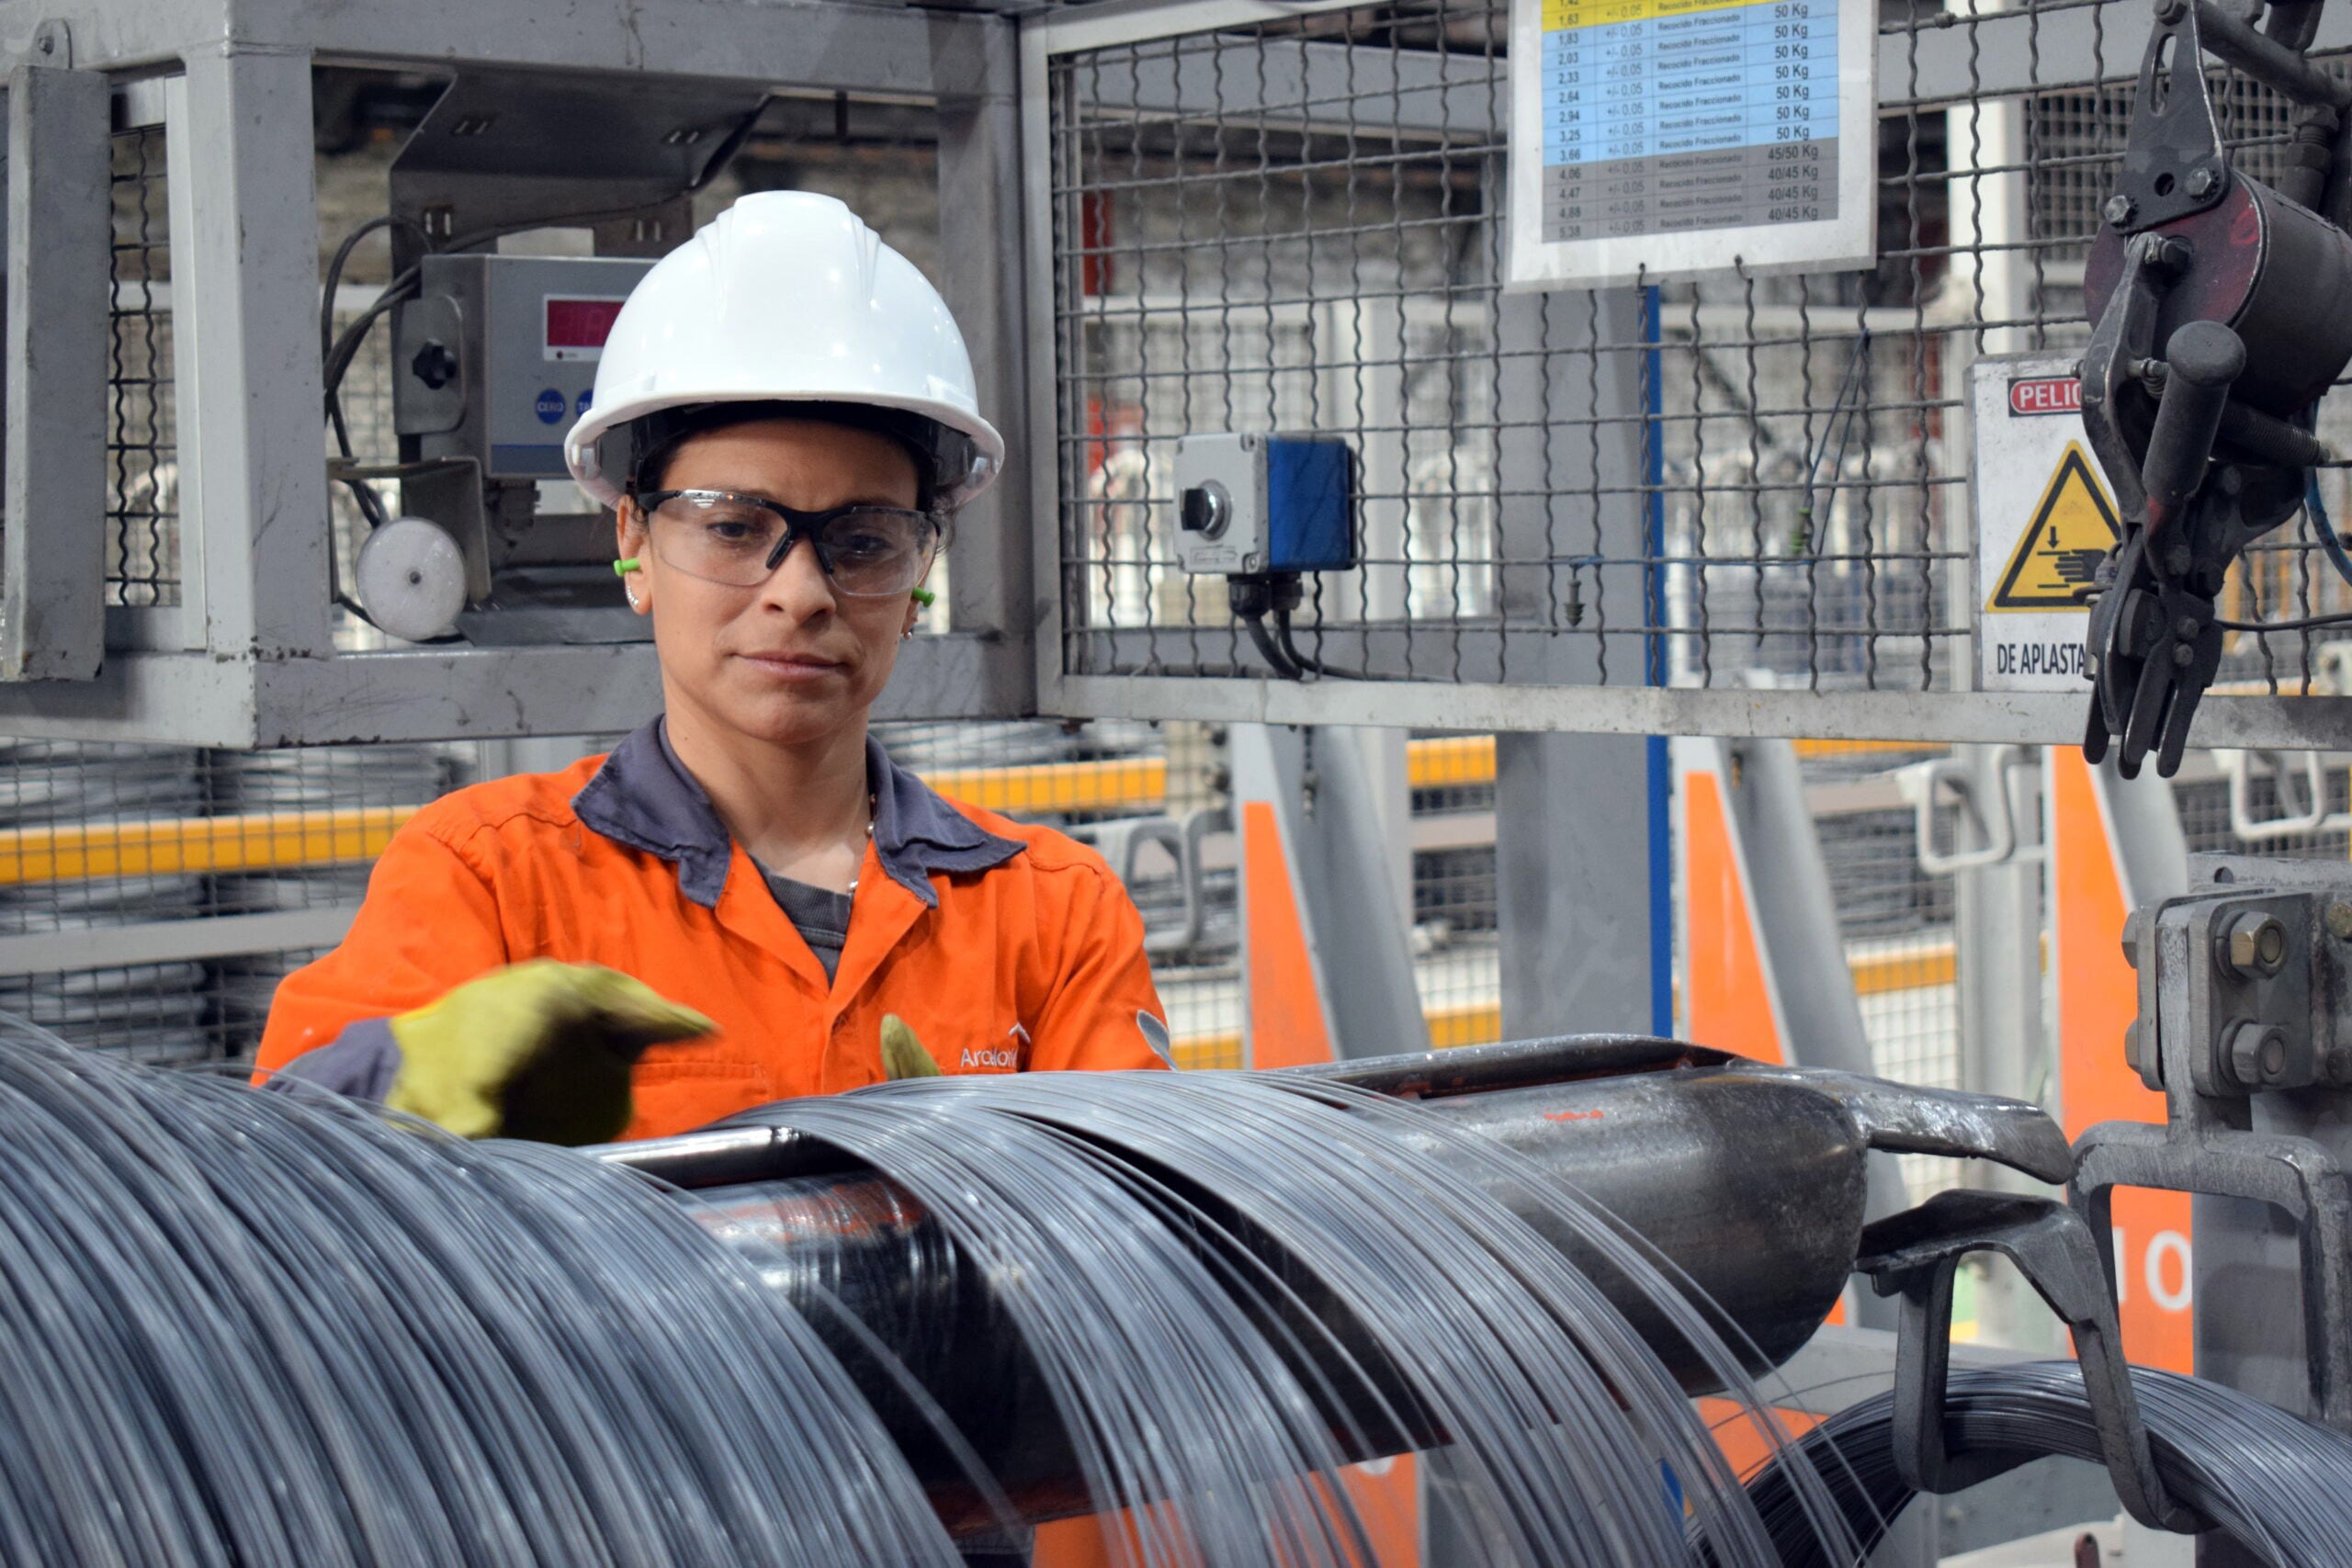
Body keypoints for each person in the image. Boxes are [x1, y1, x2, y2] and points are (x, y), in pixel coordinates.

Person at [255, 192, 1173, 1144]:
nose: (800, 593)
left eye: (864, 540)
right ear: (634, 543)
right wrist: (392, 1083)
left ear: (919, 575)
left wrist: (998, 1178)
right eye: (734, 528)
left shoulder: (1052, 911)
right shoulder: (491, 879)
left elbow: (1143, 1215)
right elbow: (272, 1181)